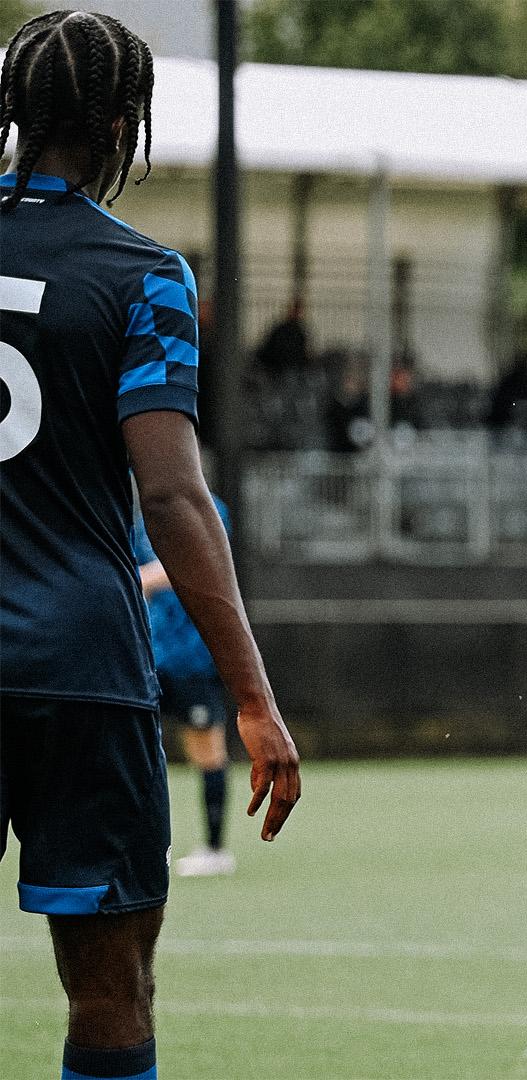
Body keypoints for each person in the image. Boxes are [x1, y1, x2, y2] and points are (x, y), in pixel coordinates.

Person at [0, 13, 301, 1080]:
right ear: (128, 122)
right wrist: (254, 698)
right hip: (79, 668)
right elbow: (173, 497)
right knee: (112, 988)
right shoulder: (143, 274)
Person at [131, 492, 238, 877]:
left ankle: (214, 848)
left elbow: (199, 559)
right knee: (135, 748)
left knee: (206, 746)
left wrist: (141, 578)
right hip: (153, 654)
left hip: (195, 652)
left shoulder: (208, 505)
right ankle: (138, 846)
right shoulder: (139, 517)